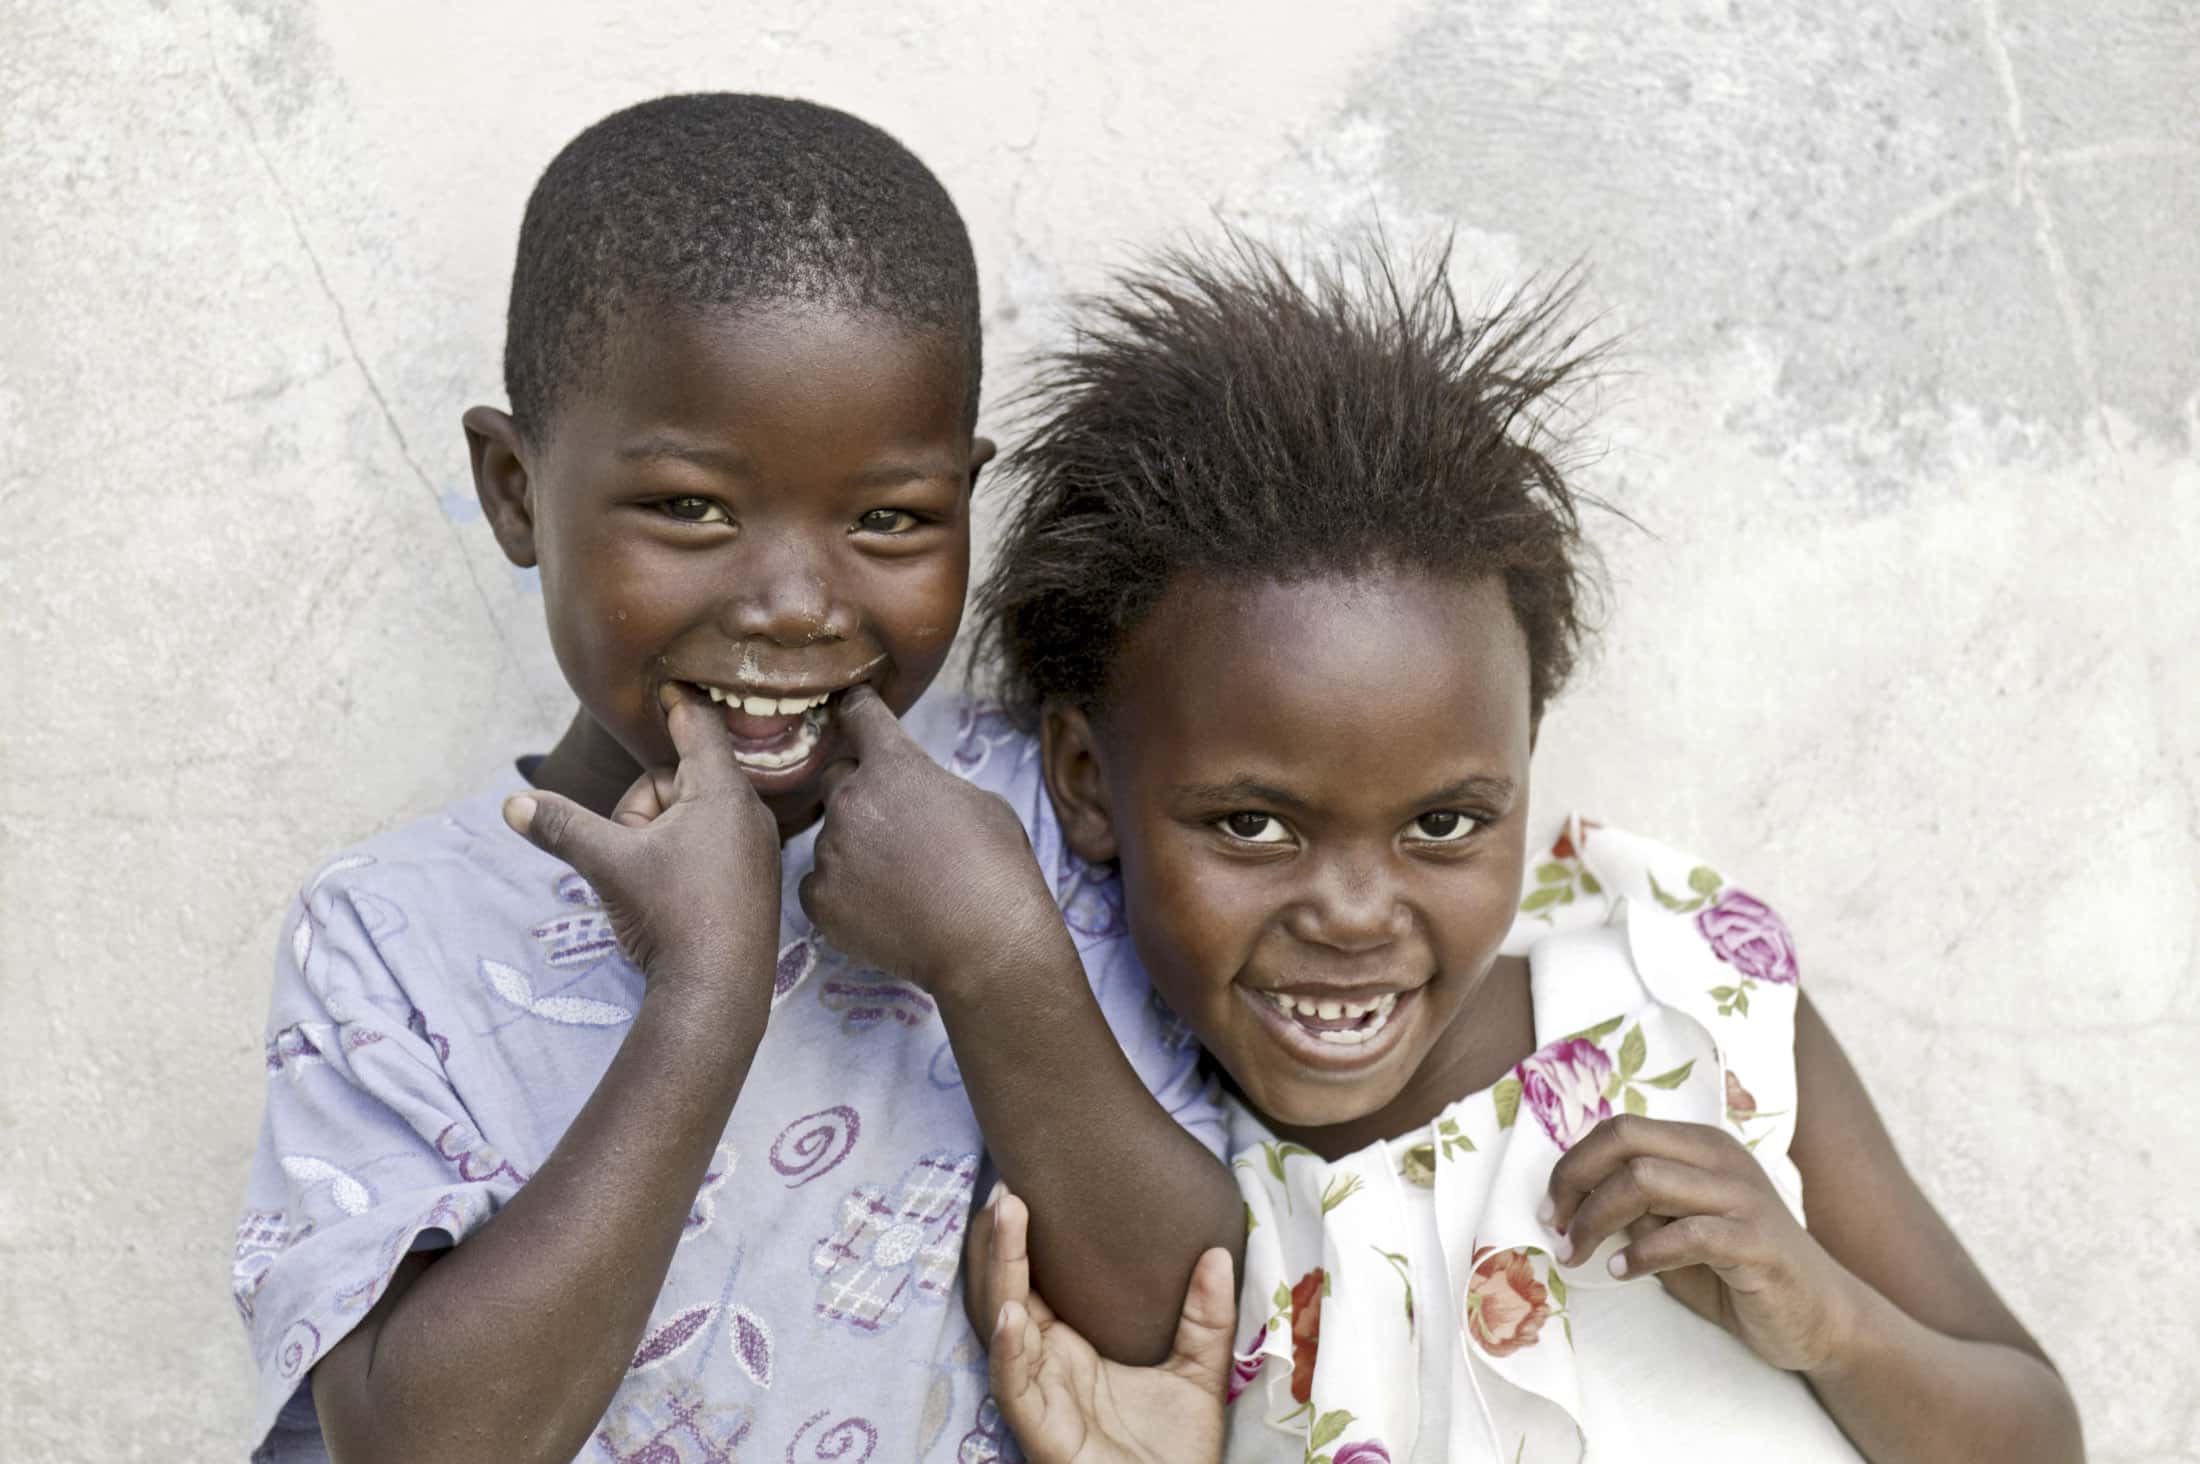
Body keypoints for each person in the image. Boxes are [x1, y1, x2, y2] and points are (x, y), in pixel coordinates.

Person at [230, 94, 1241, 1464]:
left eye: (889, 519)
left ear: (965, 494)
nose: (793, 605)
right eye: (693, 508)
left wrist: (998, 957)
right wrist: (707, 998)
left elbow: (1182, 1325)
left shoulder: (1026, 834)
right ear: (517, 489)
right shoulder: (393, 939)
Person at [958, 235, 2084, 1463]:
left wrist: (1830, 1322)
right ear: (1085, 780)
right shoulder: (1145, 1195)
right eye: (1253, 825)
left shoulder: (1682, 1012)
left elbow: (2034, 1436)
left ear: (1524, 755)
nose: (1350, 912)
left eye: (1442, 824)